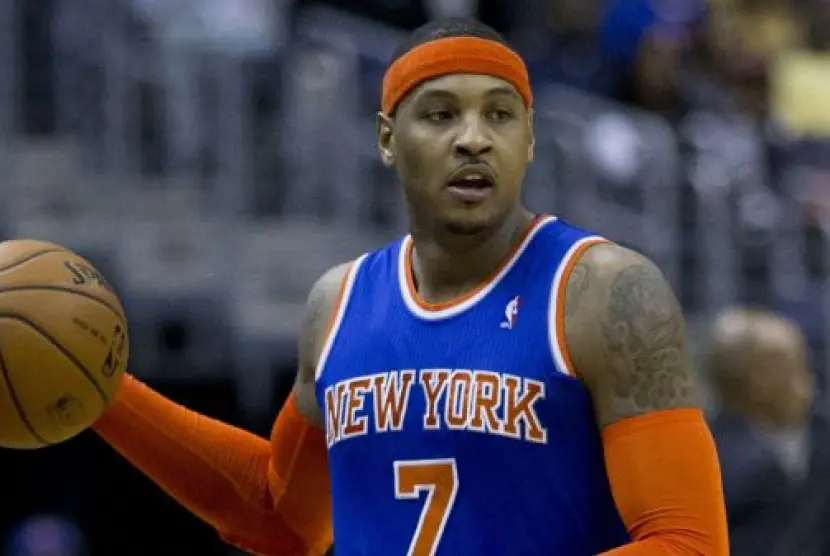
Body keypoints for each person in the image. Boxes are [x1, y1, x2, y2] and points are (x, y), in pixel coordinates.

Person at [92, 17, 728, 556]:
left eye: (500, 115)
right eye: (441, 114)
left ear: (530, 139)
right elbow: (277, 516)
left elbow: (689, 542)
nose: (474, 139)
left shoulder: (601, 290)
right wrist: (103, 394)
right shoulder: (337, 305)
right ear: (387, 139)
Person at [706, 308, 830, 556]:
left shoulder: (699, 447)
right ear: (759, 379)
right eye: (796, 366)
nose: (809, 382)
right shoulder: (758, 475)